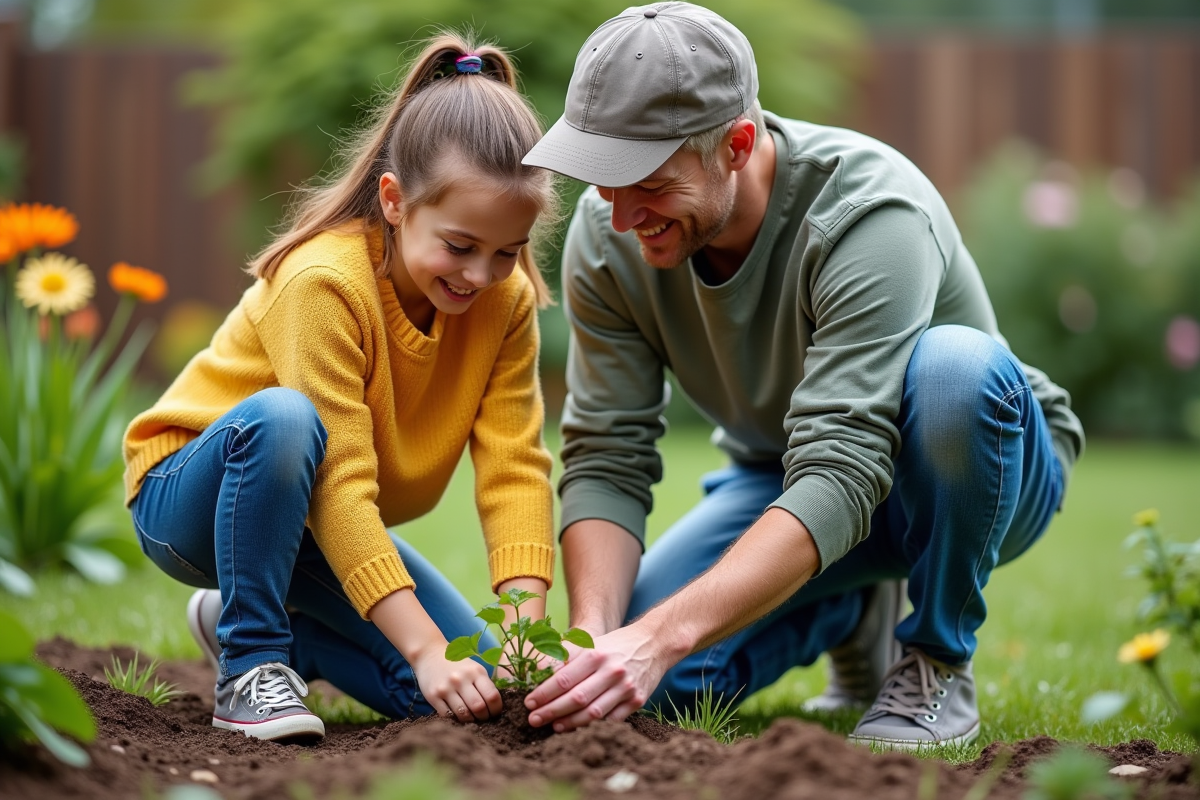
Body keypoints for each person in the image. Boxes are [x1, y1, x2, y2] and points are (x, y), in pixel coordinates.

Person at [518, 2, 1084, 749]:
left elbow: (845, 467)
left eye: (646, 181)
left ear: (737, 144)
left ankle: (935, 657)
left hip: (976, 469)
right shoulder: (606, 234)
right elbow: (607, 453)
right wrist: (598, 637)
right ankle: (852, 610)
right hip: (788, 476)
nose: (620, 216)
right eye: (602, 179)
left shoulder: (868, 214)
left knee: (957, 371)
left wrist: (659, 636)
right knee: (648, 683)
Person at [122, 33, 559, 742]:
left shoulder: (503, 305)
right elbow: (340, 480)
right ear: (394, 201)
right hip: (190, 500)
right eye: (459, 245)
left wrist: (522, 634)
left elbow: (515, 466)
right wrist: (419, 645)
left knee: (475, 695)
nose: (479, 275)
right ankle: (251, 662)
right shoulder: (325, 283)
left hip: (311, 527)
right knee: (287, 419)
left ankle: (290, 640)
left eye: (506, 252)